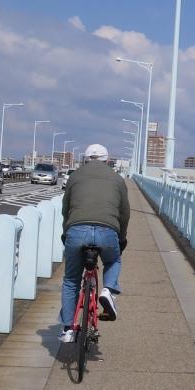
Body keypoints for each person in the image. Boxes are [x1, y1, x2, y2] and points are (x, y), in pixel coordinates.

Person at [58, 142, 128, 342]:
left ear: (85, 159)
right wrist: (121, 238)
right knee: (113, 260)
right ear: (107, 160)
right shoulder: (117, 179)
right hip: (108, 231)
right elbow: (125, 214)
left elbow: (65, 209)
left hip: (77, 230)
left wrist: (66, 233)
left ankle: (68, 329)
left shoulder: (75, 176)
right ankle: (108, 290)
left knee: (71, 279)